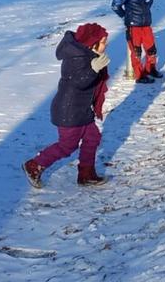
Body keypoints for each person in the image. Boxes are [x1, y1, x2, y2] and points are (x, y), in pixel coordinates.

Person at [23, 22, 110, 187]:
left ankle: (86, 174)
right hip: (69, 112)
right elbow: (78, 82)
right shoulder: (76, 59)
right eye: (103, 42)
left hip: (81, 110)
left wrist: (95, 67)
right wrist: (94, 69)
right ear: (92, 44)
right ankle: (34, 165)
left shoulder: (87, 56)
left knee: (93, 137)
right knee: (67, 146)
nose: (106, 45)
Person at [112, 0, 162, 82]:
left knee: (151, 49)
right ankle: (139, 75)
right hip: (133, 27)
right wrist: (125, 16)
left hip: (146, 25)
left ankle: (151, 69)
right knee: (136, 51)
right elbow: (115, 5)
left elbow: (149, 5)